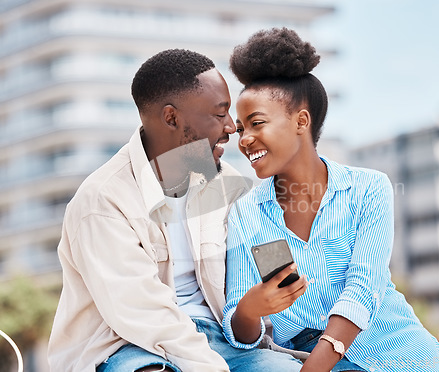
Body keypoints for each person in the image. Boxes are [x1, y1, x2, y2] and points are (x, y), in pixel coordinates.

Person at [47, 49, 304, 372]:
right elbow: (141, 314)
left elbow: (261, 280)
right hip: (128, 346)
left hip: (224, 339)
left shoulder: (228, 185)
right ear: (171, 118)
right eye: (218, 114)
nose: (231, 127)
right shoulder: (103, 200)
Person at [222, 27, 439, 372]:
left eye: (256, 124)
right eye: (242, 129)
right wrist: (249, 309)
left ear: (301, 121)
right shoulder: (246, 212)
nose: (245, 140)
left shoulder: (368, 189)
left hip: (400, 356)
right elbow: (243, 333)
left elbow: (363, 289)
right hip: (300, 358)